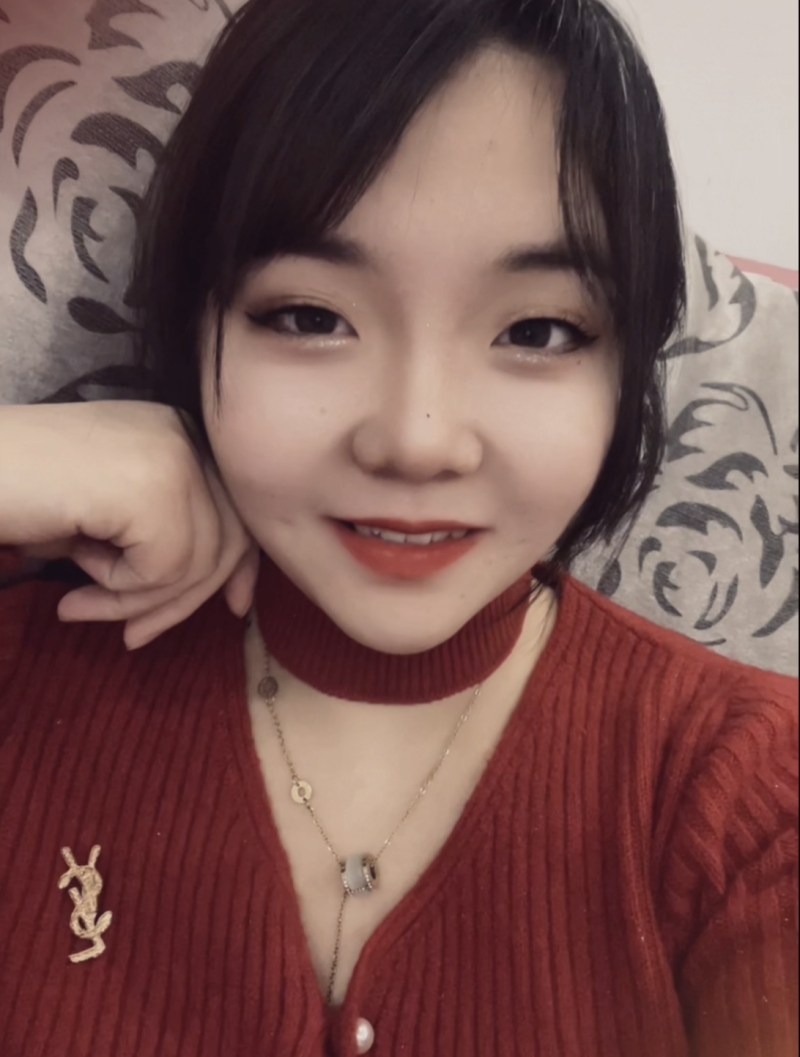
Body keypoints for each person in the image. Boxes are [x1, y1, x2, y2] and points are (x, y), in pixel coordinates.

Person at [0, 1, 797, 1055]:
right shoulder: (26, 679)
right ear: (194, 319)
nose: (418, 443)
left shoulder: (749, 792)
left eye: (537, 329)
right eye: (308, 317)